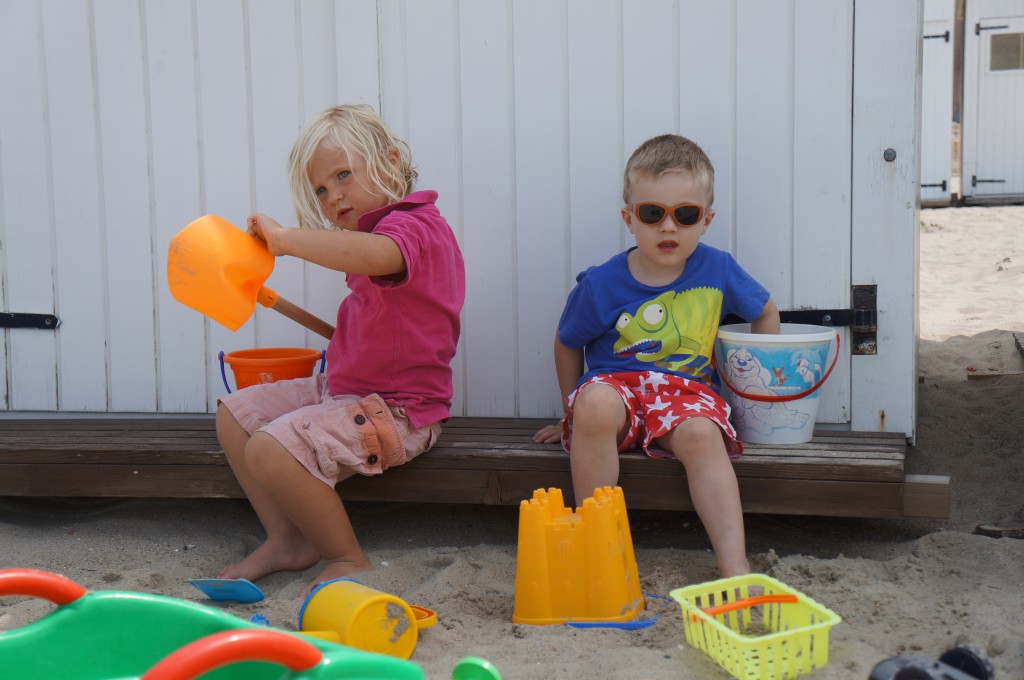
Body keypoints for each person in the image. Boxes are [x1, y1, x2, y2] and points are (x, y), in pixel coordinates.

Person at [216, 104, 465, 594]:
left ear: (391, 162)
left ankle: (345, 556)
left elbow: (380, 257)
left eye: (343, 175)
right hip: (346, 390)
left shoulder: (414, 227)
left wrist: (286, 240)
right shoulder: (369, 237)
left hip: (397, 410)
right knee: (235, 413)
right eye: (321, 190)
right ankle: (288, 539)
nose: (333, 197)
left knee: (271, 448)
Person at [534, 134, 779, 578]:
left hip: (686, 394)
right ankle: (597, 545)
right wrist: (568, 409)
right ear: (630, 219)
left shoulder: (718, 267)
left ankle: (734, 565)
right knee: (594, 405)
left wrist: (752, 397)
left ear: (706, 220)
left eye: (685, 215)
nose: (669, 227)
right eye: (653, 214)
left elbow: (764, 312)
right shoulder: (603, 283)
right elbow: (568, 340)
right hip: (617, 389)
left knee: (704, 436)